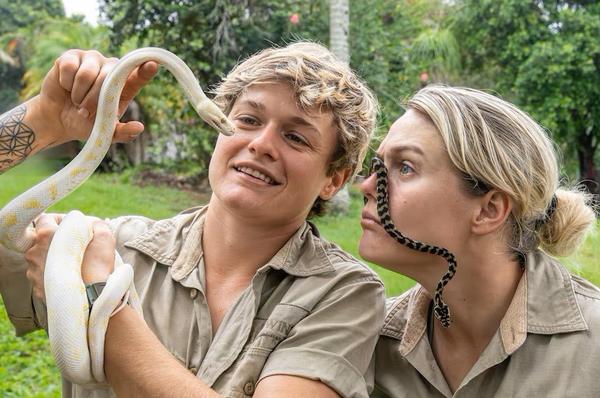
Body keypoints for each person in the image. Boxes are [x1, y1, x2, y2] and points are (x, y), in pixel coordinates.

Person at [0, 42, 385, 397]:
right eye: (248, 120)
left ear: (334, 179)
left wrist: (101, 298)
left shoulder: (344, 293)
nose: (260, 144)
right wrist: (42, 121)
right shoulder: (109, 244)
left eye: (296, 138)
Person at [359, 85, 599, 397]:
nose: (367, 185)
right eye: (378, 165)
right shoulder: (369, 343)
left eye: (405, 167)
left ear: (488, 210)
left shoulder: (592, 351)